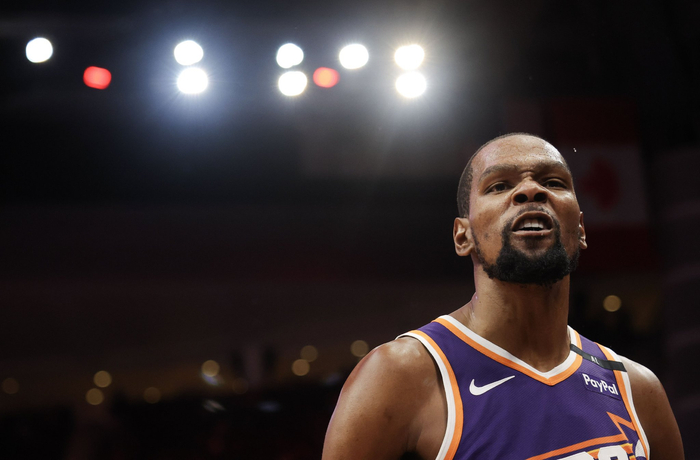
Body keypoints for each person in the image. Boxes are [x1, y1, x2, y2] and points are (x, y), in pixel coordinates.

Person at [322, 133, 684, 460]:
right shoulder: (398, 376)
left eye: (553, 182)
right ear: (463, 236)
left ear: (581, 228)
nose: (530, 191)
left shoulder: (637, 390)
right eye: (499, 186)